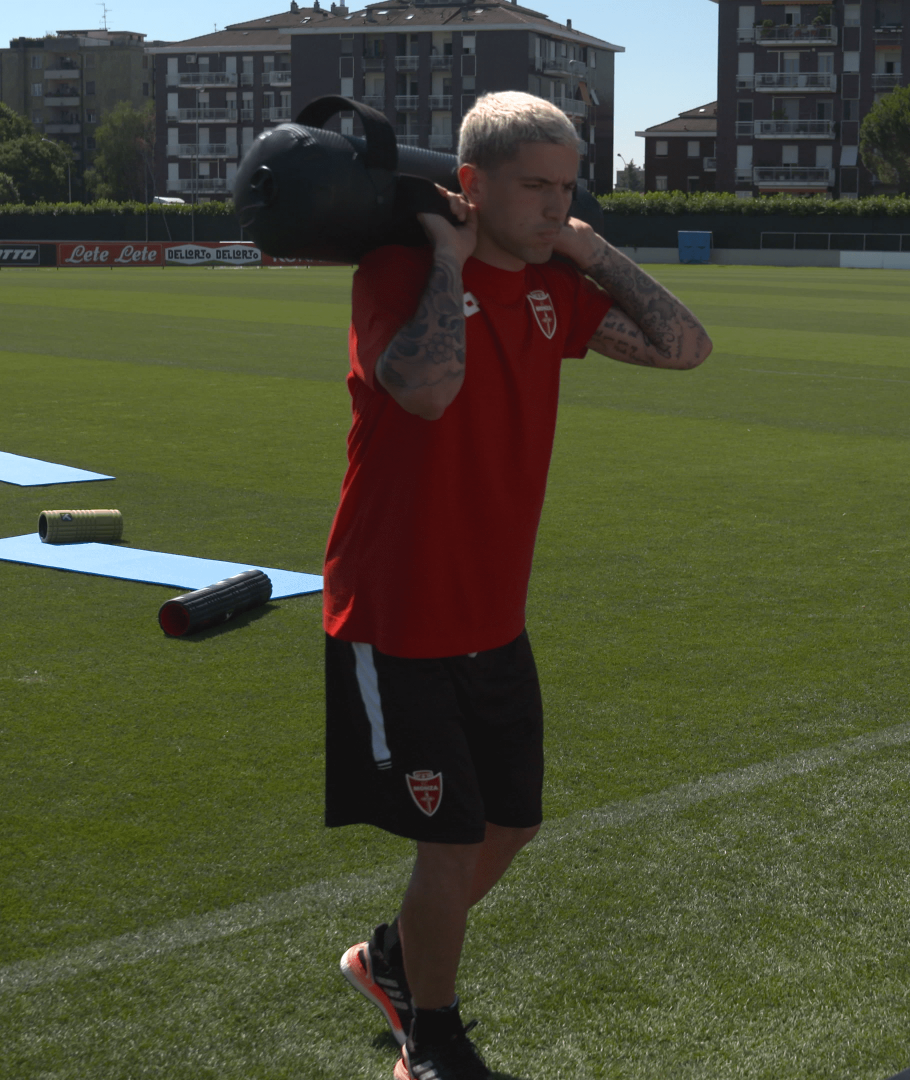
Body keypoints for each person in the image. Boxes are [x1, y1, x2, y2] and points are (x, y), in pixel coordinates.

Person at [324, 91, 712, 1080]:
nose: (553, 205)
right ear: (470, 186)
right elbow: (428, 387)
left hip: (493, 614)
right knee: (449, 843)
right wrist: (450, 264)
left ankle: (388, 961)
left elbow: (685, 346)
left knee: (512, 823)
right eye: (534, 188)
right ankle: (433, 1038)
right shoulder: (399, 273)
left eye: (567, 186)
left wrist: (586, 248)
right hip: (398, 611)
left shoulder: (556, 288)